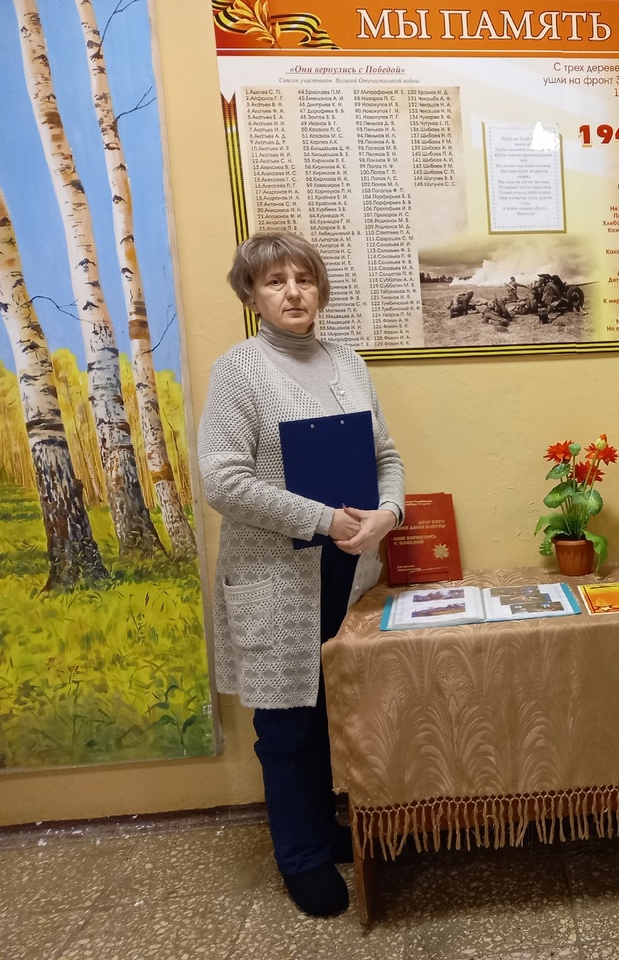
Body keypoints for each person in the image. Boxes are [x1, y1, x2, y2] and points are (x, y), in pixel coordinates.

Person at [198, 232, 405, 917]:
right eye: (274, 281)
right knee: (287, 725)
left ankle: (326, 826)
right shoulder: (239, 370)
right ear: (251, 295)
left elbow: (386, 455)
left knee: (334, 709)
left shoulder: (348, 361)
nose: (293, 292)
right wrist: (324, 519)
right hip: (277, 579)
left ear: (320, 288)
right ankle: (302, 856)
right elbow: (223, 481)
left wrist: (389, 513)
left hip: (349, 571)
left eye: (304, 279)